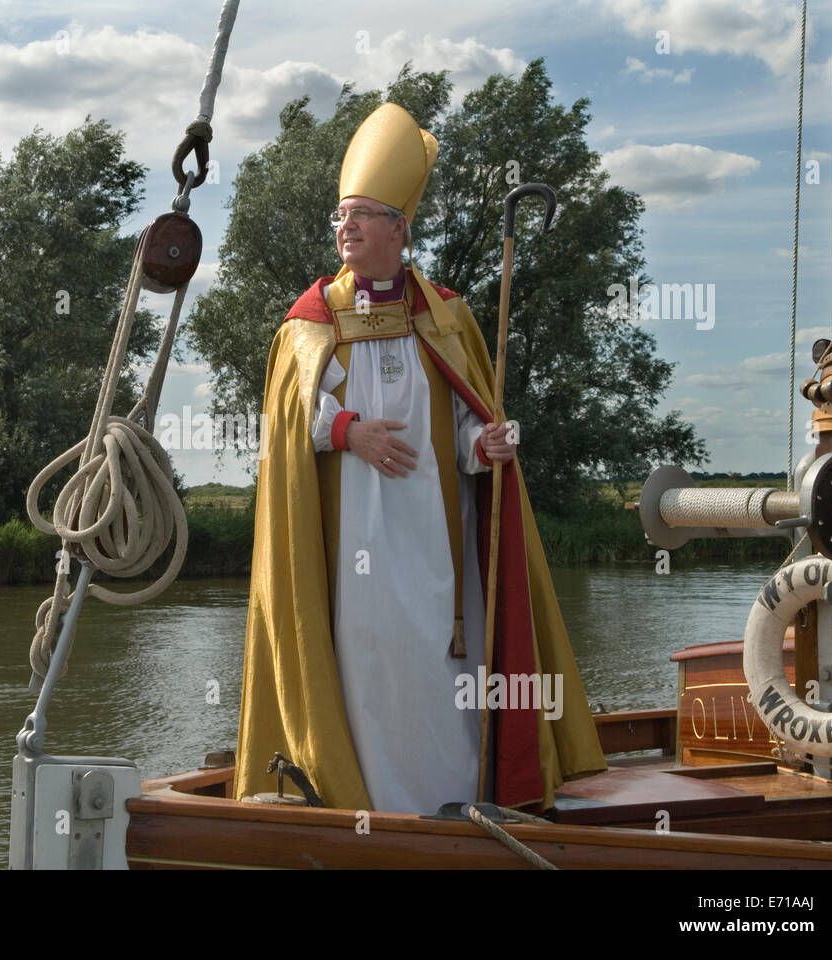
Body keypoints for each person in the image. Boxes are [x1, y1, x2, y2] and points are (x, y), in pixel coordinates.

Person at [233, 102, 605, 813]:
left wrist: (487, 443)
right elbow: (287, 422)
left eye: (363, 214)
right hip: (355, 547)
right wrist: (348, 432)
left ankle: (457, 797)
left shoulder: (447, 314)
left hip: (438, 537)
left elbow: (469, 423)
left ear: (399, 229)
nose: (346, 227)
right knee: (369, 660)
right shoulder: (312, 323)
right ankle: (370, 802)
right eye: (340, 216)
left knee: (444, 664)